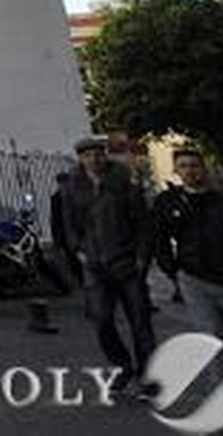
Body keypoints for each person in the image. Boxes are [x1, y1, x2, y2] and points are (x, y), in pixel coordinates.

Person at [61, 135, 157, 397]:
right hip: (94, 265)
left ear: (104, 155)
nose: (94, 158)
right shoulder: (72, 187)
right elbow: (68, 224)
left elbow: (142, 222)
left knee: (140, 321)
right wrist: (78, 250)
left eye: (98, 153)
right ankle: (122, 366)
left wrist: (141, 258)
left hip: (126, 261)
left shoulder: (124, 182)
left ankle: (147, 375)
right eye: (88, 154)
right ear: (80, 158)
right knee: (101, 321)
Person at [152, 149, 223, 377]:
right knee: (213, 339)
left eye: (194, 165)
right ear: (176, 171)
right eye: (183, 166)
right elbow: (159, 238)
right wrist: (174, 271)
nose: (190, 170)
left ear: (203, 168)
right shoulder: (167, 202)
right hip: (192, 280)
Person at [49, 171, 83, 284]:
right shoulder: (55, 198)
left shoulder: (77, 195)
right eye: (61, 183)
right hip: (65, 234)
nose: (63, 185)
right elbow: (55, 219)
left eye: (65, 182)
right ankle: (81, 279)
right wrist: (56, 239)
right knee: (72, 259)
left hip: (78, 232)